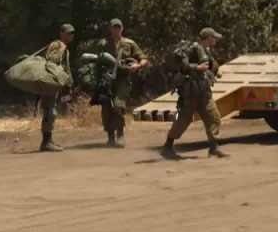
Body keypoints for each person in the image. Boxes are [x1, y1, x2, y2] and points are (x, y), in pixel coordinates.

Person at [161, 28, 226, 160]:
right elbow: (183, 67)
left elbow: (210, 65)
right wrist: (197, 67)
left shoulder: (207, 51)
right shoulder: (192, 50)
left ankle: (214, 147)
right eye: (214, 37)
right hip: (190, 92)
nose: (216, 40)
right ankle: (167, 146)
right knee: (183, 120)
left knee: (214, 117)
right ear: (209, 38)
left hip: (204, 91)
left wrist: (215, 71)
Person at [96, 19, 150, 148]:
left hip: (122, 79)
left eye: (118, 27)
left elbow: (144, 58)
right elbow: (96, 60)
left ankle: (120, 135)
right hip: (107, 79)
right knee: (106, 108)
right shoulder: (103, 43)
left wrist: (138, 66)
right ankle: (110, 137)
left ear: (122, 28)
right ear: (110, 28)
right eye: (114, 27)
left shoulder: (129, 44)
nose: (116, 29)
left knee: (118, 105)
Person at [37, 23, 75, 152]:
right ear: (61, 33)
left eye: (72, 33)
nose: (71, 35)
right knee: (49, 111)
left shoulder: (65, 48)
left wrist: (69, 84)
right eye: (68, 33)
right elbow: (51, 60)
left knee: (52, 110)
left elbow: (66, 69)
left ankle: (48, 141)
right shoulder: (56, 45)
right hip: (50, 83)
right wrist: (61, 49)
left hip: (57, 83)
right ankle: (46, 142)